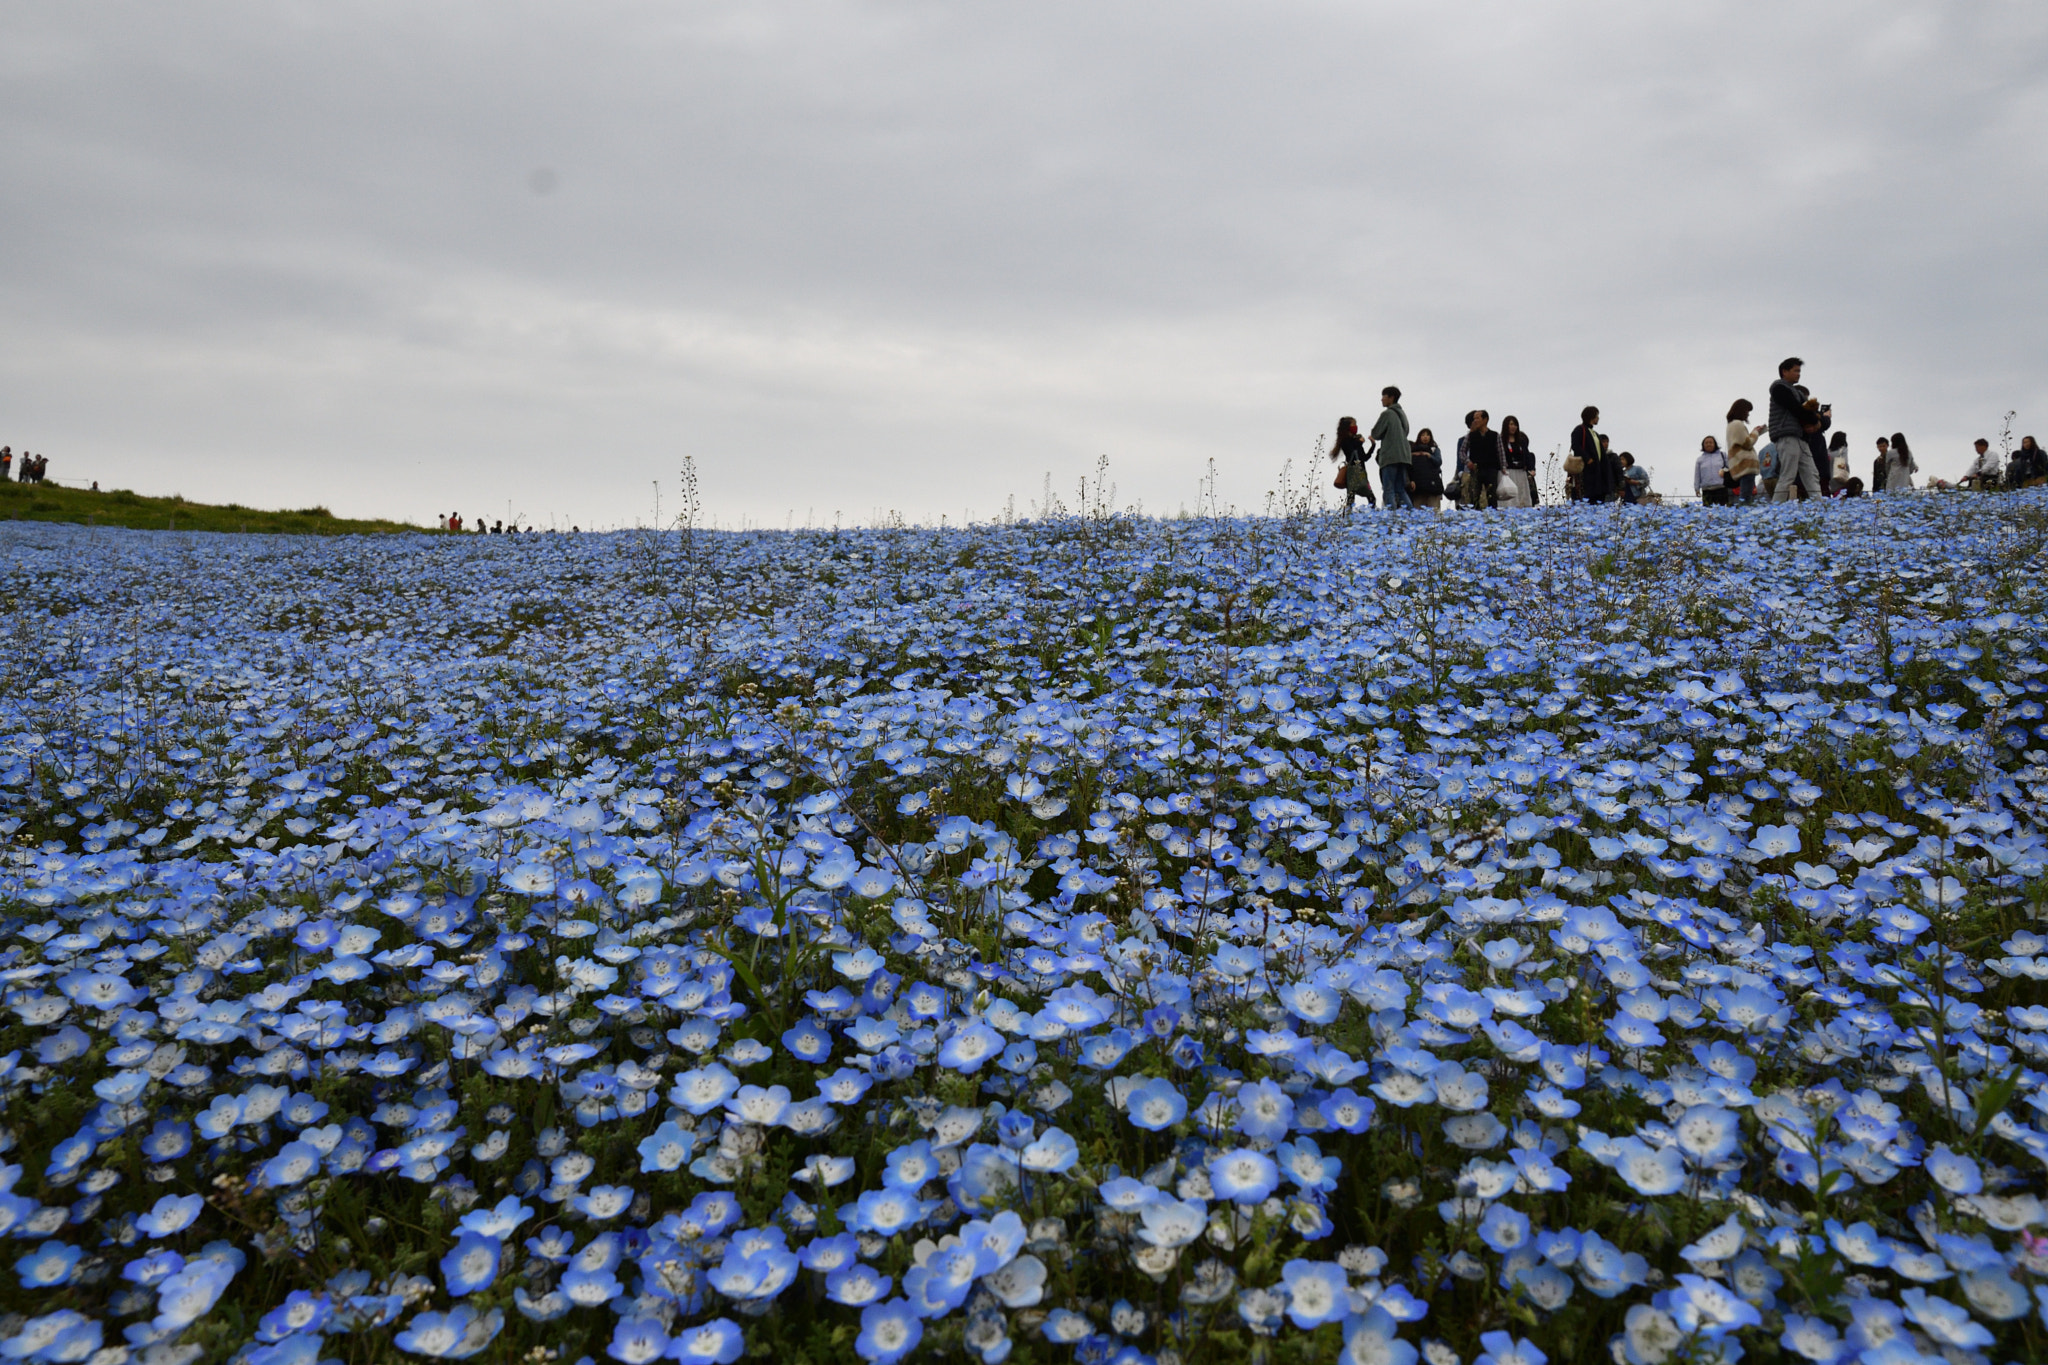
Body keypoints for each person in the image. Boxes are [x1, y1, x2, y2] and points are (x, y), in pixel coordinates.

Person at [1769, 358, 1822, 502]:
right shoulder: (1779, 388)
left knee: (1812, 473)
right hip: (1786, 435)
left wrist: (1814, 420)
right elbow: (1795, 408)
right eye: (1796, 371)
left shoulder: (1796, 392)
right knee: (1788, 475)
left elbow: (1802, 410)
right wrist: (1815, 421)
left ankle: (1819, 505)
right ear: (1784, 372)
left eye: (1799, 371)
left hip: (1800, 437)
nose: (1799, 374)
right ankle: (1775, 510)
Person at [1370, 386, 1413, 511]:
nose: (1381, 399)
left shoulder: (1387, 413)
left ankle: (1391, 518)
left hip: (1390, 456)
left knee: (1388, 489)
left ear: (1391, 398)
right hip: (1404, 456)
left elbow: (1376, 433)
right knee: (1400, 489)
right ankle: (1411, 516)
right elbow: (1406, 431)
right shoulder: (1402, 414)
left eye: (1384, 396)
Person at [1330, 416, 1377, 515]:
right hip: (1352, 473)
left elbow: (1364, 458)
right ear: (1347, 427)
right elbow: (1351, 452)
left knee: (1371, 497)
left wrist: (1372, 446)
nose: (1355, 427)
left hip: (1362, 473)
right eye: (1353, 425)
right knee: (1351, 499)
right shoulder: (1345, 441)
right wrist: (1359, 443)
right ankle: (1347, 519)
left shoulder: (1356, 440)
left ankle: (1373, 517)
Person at [1724, 401, 1762, 503]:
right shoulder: (1737, 424)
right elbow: (1747, 443)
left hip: (1739, 465)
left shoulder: (1731, 425)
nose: (1748, 414)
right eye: (1747, 411)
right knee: (1746, 498)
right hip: (1746, 466)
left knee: (1744, 497)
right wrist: (1756, 433)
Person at [1570, 406, 1608, 502]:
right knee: (1586, 494)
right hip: (1586, 468)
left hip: (1596, 469)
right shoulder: (1579, 430)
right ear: (1591, 417)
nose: (1598, 418)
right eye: (1596, 416)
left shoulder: (1594, 433)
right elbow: (1575, 446)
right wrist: (1588, 459)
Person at [1465, 410, 1502, 510]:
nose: (1475, 421)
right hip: (1476, 470)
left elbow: (1500, 453)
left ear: (1485, 420)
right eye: (1474, 418)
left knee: (1492, 496)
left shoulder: (1495, 435)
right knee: (1474, 496)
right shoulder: (1470, 435)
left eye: (1478, 418)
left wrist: (1503, 468)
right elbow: (1462, 452)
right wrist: (1468, 462)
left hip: (1491, 469)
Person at [1500, 415, 1536, 506]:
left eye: (1515, 425)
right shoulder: (1501, 441)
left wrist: (1531, 469)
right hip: (1508, 472)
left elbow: (1527, 455)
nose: (1513, 427)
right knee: (1510, 498)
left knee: (1521, 496)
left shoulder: (1521, 441)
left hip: (1520, 472)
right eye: (1511, 424)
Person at [1409, 428, 1445, 512]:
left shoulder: (1435, 449)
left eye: (1427, 435)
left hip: (1432, 484)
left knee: (1434, 512)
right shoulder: (1413, 450)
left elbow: (1438, 461)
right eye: (1423, 435)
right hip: (1418, 486)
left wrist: (1429, 455)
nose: (1425, 437)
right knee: (1418, 511)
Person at [1696, 436, 1729, 505]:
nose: (1708, 444)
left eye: (1711, 442)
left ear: (1715, 444)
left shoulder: (1723, 455)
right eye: (1706, 443)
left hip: (1721, 488)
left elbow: (1730, 468)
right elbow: (1697, 475)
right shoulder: (1700, 459)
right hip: (1706, 490)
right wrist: (1697, 488)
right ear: (1703, 445)